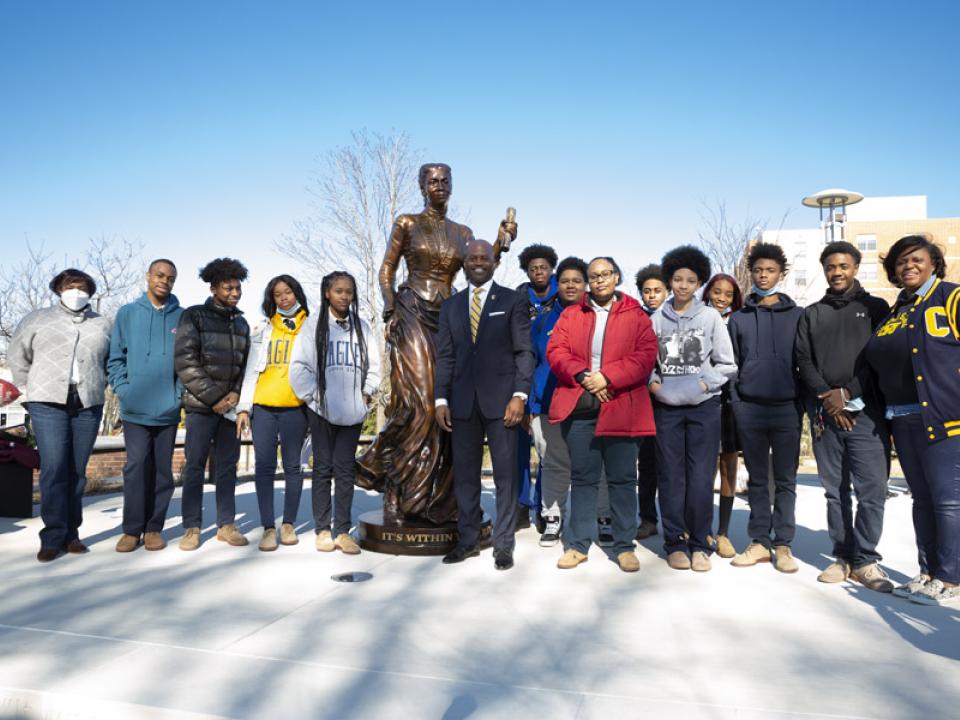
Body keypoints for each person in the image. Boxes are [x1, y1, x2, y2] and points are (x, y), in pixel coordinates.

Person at [356, 163, 516, 525]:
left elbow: (479, 263)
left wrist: (500, 242)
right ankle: (397, 490)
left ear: (452, 186)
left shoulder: (462, 231)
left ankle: (436, 500)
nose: (439, 186)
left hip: (449, 317)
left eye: (445, 181)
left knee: (450, 407)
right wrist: (389, 307)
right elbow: (387, 268)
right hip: (412, 309)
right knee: (418, 405)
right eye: (432, 182)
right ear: (422, 186)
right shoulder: (407, 222)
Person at [865, 234, 960, 606]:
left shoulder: (950, 297)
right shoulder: (897, 310)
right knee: (921, 500)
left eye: (917, 259)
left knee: (948, 501)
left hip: (944, 417)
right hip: (902, 418)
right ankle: (929, 572)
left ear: (933, 262)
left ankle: (951, 578)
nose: (909, 266)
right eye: (901, 262)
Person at [547, 256, 658, 572]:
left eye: (605, 274)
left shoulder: (636, 316)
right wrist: (584, 376)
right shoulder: (572, 314)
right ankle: (578, 544)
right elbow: (556, 351)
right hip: (582, 406)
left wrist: (608, 377)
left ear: (617, 276)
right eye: (593, 276)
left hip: (623, 406)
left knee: (623, 479)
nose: (599, 280)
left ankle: (624, 546)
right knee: (583, 479)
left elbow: (645, 356)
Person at [795, 241, 893, 590]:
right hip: (825, 414)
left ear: (855, 267)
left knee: (871, 490)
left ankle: (865, 560)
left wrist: (848, 393)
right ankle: (842, 555)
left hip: (867, 414)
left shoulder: (876, 307)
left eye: (843, 266)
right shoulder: (812, 313)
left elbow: (878, 357)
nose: (836, 272)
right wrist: (828, 396)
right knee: (835, 491)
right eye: (830, 267)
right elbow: (803, 360)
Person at [435, 239, 534, 570]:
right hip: (462, 405)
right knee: (465, 476)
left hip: (503, 404)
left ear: (494, 262)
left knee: (505, 477)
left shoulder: (512, 300)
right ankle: (468, 540)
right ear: (464, 263)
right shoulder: (451, 306)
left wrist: (520, 396)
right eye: (472, 258)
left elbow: (524, 351)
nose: (478, 262)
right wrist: (441, 398)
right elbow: (445, 356)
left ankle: (503, 545)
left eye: (485, 257)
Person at [9, 268, 111, 562]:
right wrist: (28, 386)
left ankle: (71, 534)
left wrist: (100, 383)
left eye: (81, 287)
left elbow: (111, 358)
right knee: (54, 468)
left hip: (88, 403)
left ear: (90, 292)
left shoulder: (102, 323)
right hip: (47, 402)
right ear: (58, 289)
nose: (76, 291)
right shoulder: (37, 319)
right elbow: (18, 354)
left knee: (76, 471)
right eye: (70, 286)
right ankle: (53, 535)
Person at [649, 246, 736, 572]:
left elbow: (727, 364)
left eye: (691, 280)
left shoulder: (710, 317)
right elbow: (646, 363)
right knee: (671, 478)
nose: (683, 285)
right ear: (670, 280)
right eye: (678, 279)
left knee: (700, 478)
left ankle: (700, 543)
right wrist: (654, 385)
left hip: (703, 408)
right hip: (667, 410)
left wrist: (703, 385)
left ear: (699, 283)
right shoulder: (657, 319)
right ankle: (675, 542)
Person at [290, 271, 380, 554]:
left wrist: (365, 394)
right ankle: (323, 529)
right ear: (327, 292)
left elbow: (375, 367)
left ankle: (342, 530)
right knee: (323, 468)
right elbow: (299, 367)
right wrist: (315, 397)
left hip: (352, 412)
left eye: (349, 291)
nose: (344, 296)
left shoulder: (362, 327)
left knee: (344, 471)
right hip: (322, 410)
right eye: (339, 290)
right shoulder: (313, 326)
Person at [728, 243, 804, 574]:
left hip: (787, 408)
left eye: (770, 270)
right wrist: (738, 403)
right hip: (750, 409)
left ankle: (783, 543)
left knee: (785, 480)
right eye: (757, 270)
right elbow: (730, 365)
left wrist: (800, 404)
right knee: (758, 480)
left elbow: (806, 363)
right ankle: (759, 541)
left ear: (781, 275)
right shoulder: (739, 317)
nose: (763, 275)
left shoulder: (799, 315)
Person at [107, 259, 183, 553]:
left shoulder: (183, 317)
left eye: (171, 278)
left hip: (167, 409)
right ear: (148, 276)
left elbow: (186, 364)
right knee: (136, 467)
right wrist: (125, 391)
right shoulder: (127, 314)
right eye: (160, 275)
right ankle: (131, 529)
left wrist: (177, 396)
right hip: (134, 409)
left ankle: (153, 528)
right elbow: (115, 358)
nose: (165, 281)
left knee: (162, 470)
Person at [174, 258, 251, 551]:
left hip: (229, 408)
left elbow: (245, 365)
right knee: (194, 466)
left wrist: (234, 395)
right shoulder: (193, 316)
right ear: (213, 286)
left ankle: (226, 524)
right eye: (228, 287)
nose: (235, 293)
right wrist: (215, 398)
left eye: (238, 288)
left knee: (228, 467)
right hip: (200, 407)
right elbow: (185, 361)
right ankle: (192, 527)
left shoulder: (241, 322)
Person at [236, 275, 310, 552]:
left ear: (296, 292)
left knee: (293, 466)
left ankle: (288, 524)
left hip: (296, 409)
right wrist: (244, 407)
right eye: (277, 294)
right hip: (264, 409)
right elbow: (250, 371)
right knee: (264, 467)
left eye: (288, 292)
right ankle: (268, 527)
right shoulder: (264, 329)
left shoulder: (310, 327)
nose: (283, 298)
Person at [530, 256, 592, 546]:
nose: (570, 285)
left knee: (595, 464)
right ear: (558, 283)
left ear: (585, 284)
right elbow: (530, 361)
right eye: (565, 280)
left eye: (576, 281)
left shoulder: (597, 315)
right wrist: (530, 406)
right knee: (553, 463)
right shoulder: (543, 319)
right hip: (546, 404)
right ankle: (553, 519)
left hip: (589, 403)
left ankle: (600, 518)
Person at [515, 243, 560, 531]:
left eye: (543, 267)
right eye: (533, 268)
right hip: (520, 378)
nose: (539, 272)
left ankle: (545, 507)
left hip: (550, 380)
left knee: (548, 450)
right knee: (518, 448)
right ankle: (520, 505)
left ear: (551, 268)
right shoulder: (518, 297)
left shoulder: (564, 296)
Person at [702, 272, 744, 558]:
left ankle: (723, 533)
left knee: (728, 465)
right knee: (702, 469)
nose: (721, 298)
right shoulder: (697, 319)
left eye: (728, 294)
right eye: (717, 292)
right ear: (708, 292)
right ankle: (702, 529)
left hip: (731, 401)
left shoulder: (739, 321)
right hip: (703, 399)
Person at [633, 264, 669, 540]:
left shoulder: (675, 318)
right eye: (647, 291)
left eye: (658, 290)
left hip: (672, 400)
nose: (652, 296)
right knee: (646, 465)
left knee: (670, 464)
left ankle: (674, 519)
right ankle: (647, 518)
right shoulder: (636, 319)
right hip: (641, 401)